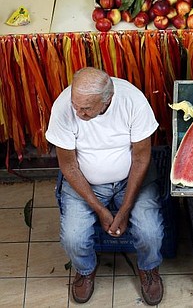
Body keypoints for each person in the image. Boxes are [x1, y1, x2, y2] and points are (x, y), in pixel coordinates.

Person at [46, 67, 164, 305]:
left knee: (150, 232)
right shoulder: (63, 107)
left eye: (87, 108)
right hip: (84, 182)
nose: (78, 112)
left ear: (107, 99)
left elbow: (141, 158)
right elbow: (68, 166)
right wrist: (99, 209)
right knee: (73, 237)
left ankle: (149, 268)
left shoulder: (133, 101)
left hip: (132, 179)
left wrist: (125, 209)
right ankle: (85, 269)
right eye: (75, 105)